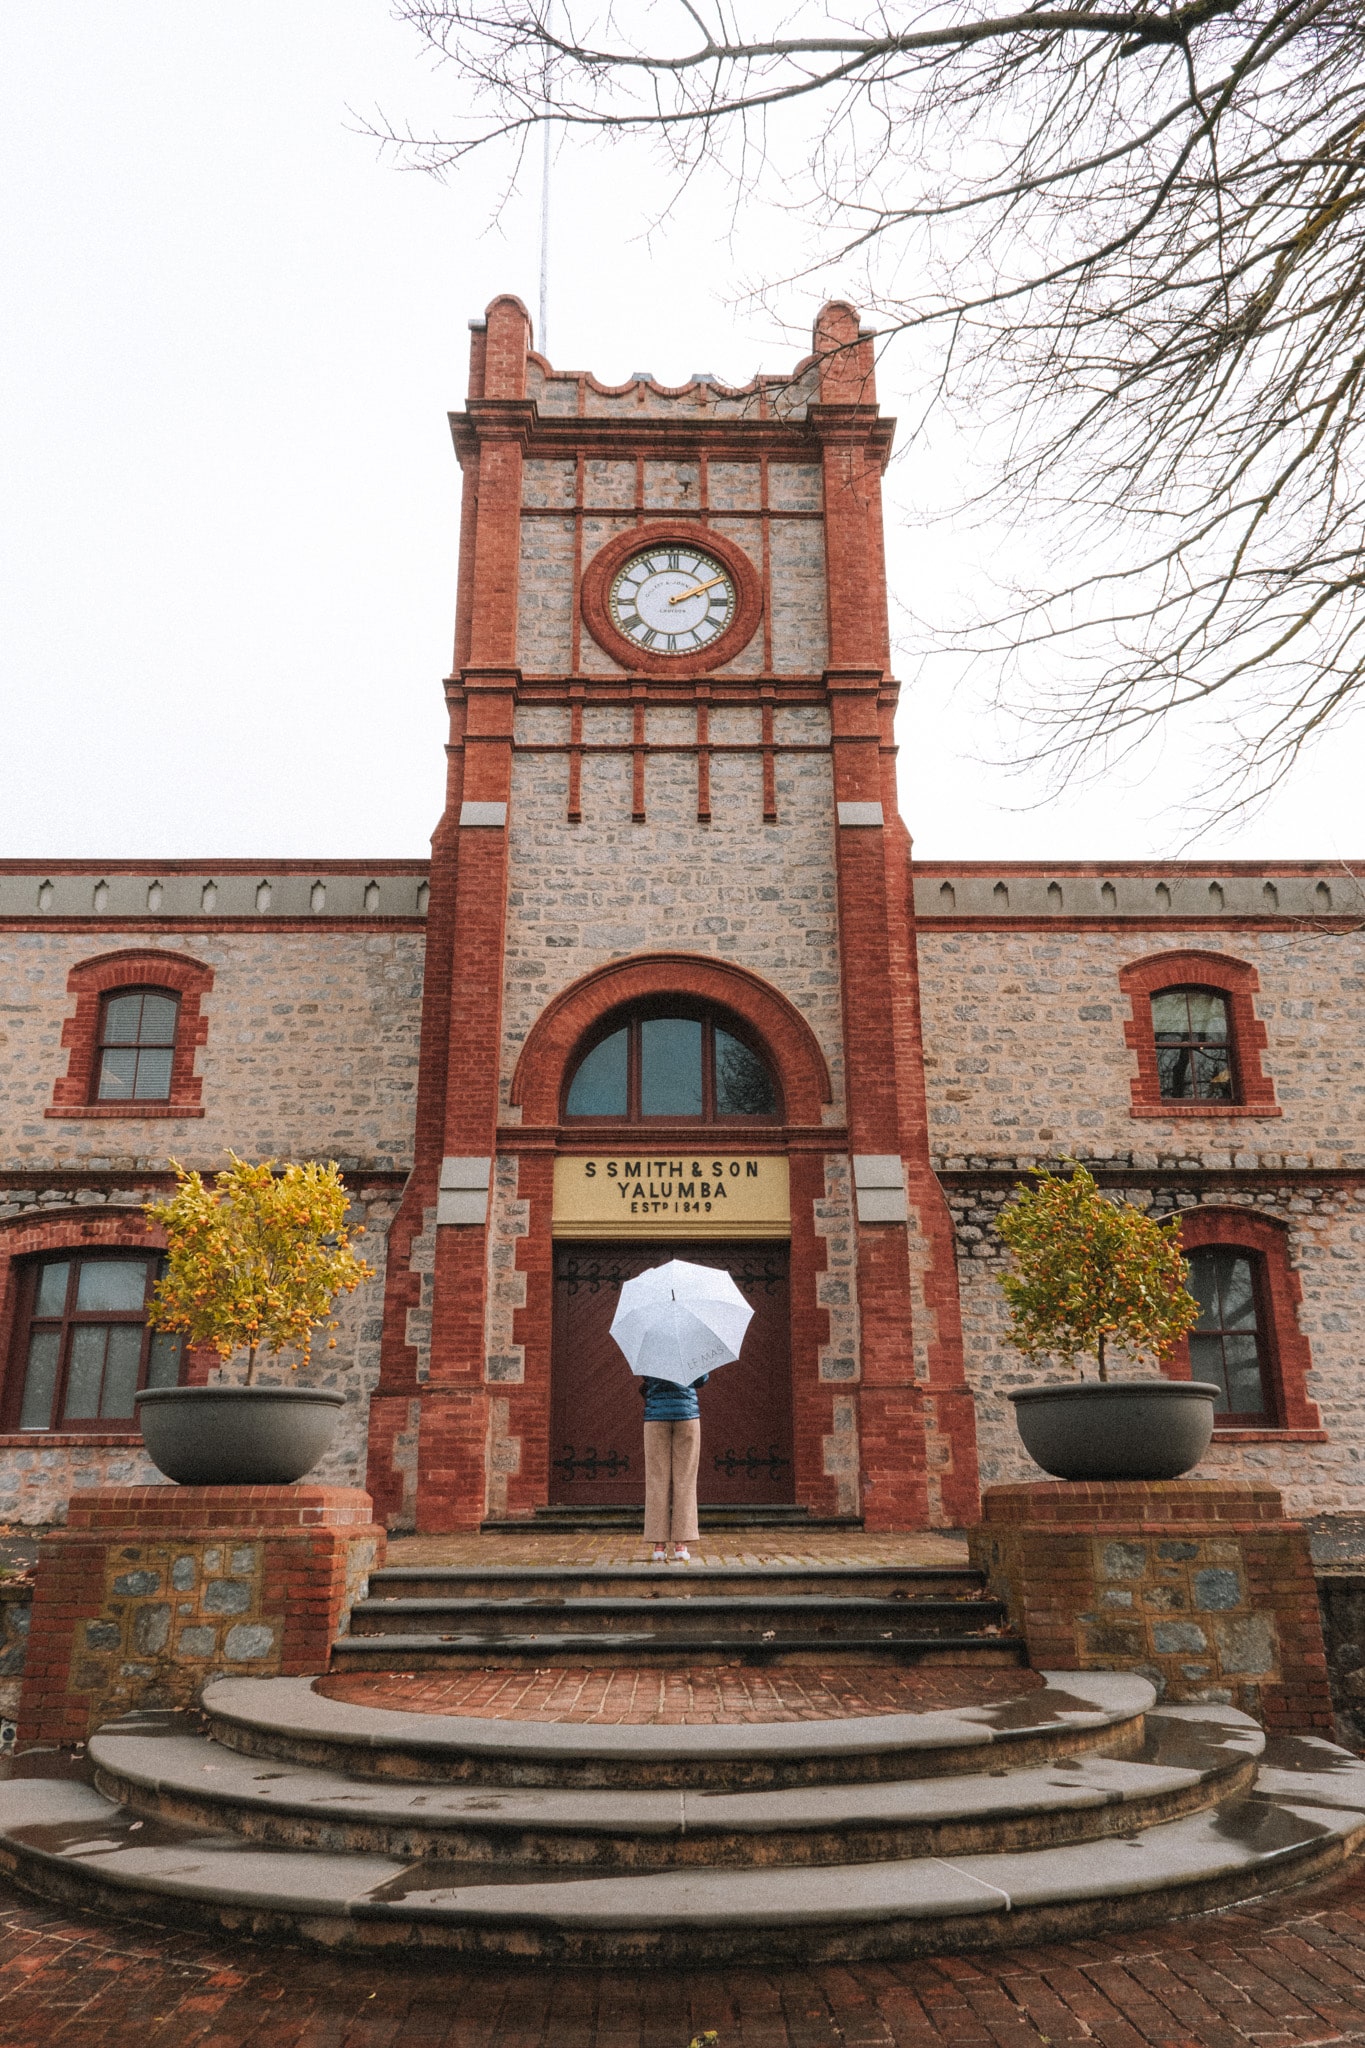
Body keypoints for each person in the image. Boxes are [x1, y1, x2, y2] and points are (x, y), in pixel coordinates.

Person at [639, 1372, 708, 1562]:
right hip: (687, 1414)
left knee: (656, 1480)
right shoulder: (691, 1349)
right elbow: (701, 1380)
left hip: (655, 1417)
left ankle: (659, 1546)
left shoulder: (651, 1350)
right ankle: (680, 1544)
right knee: (685, 1480)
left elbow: (646, 1379)